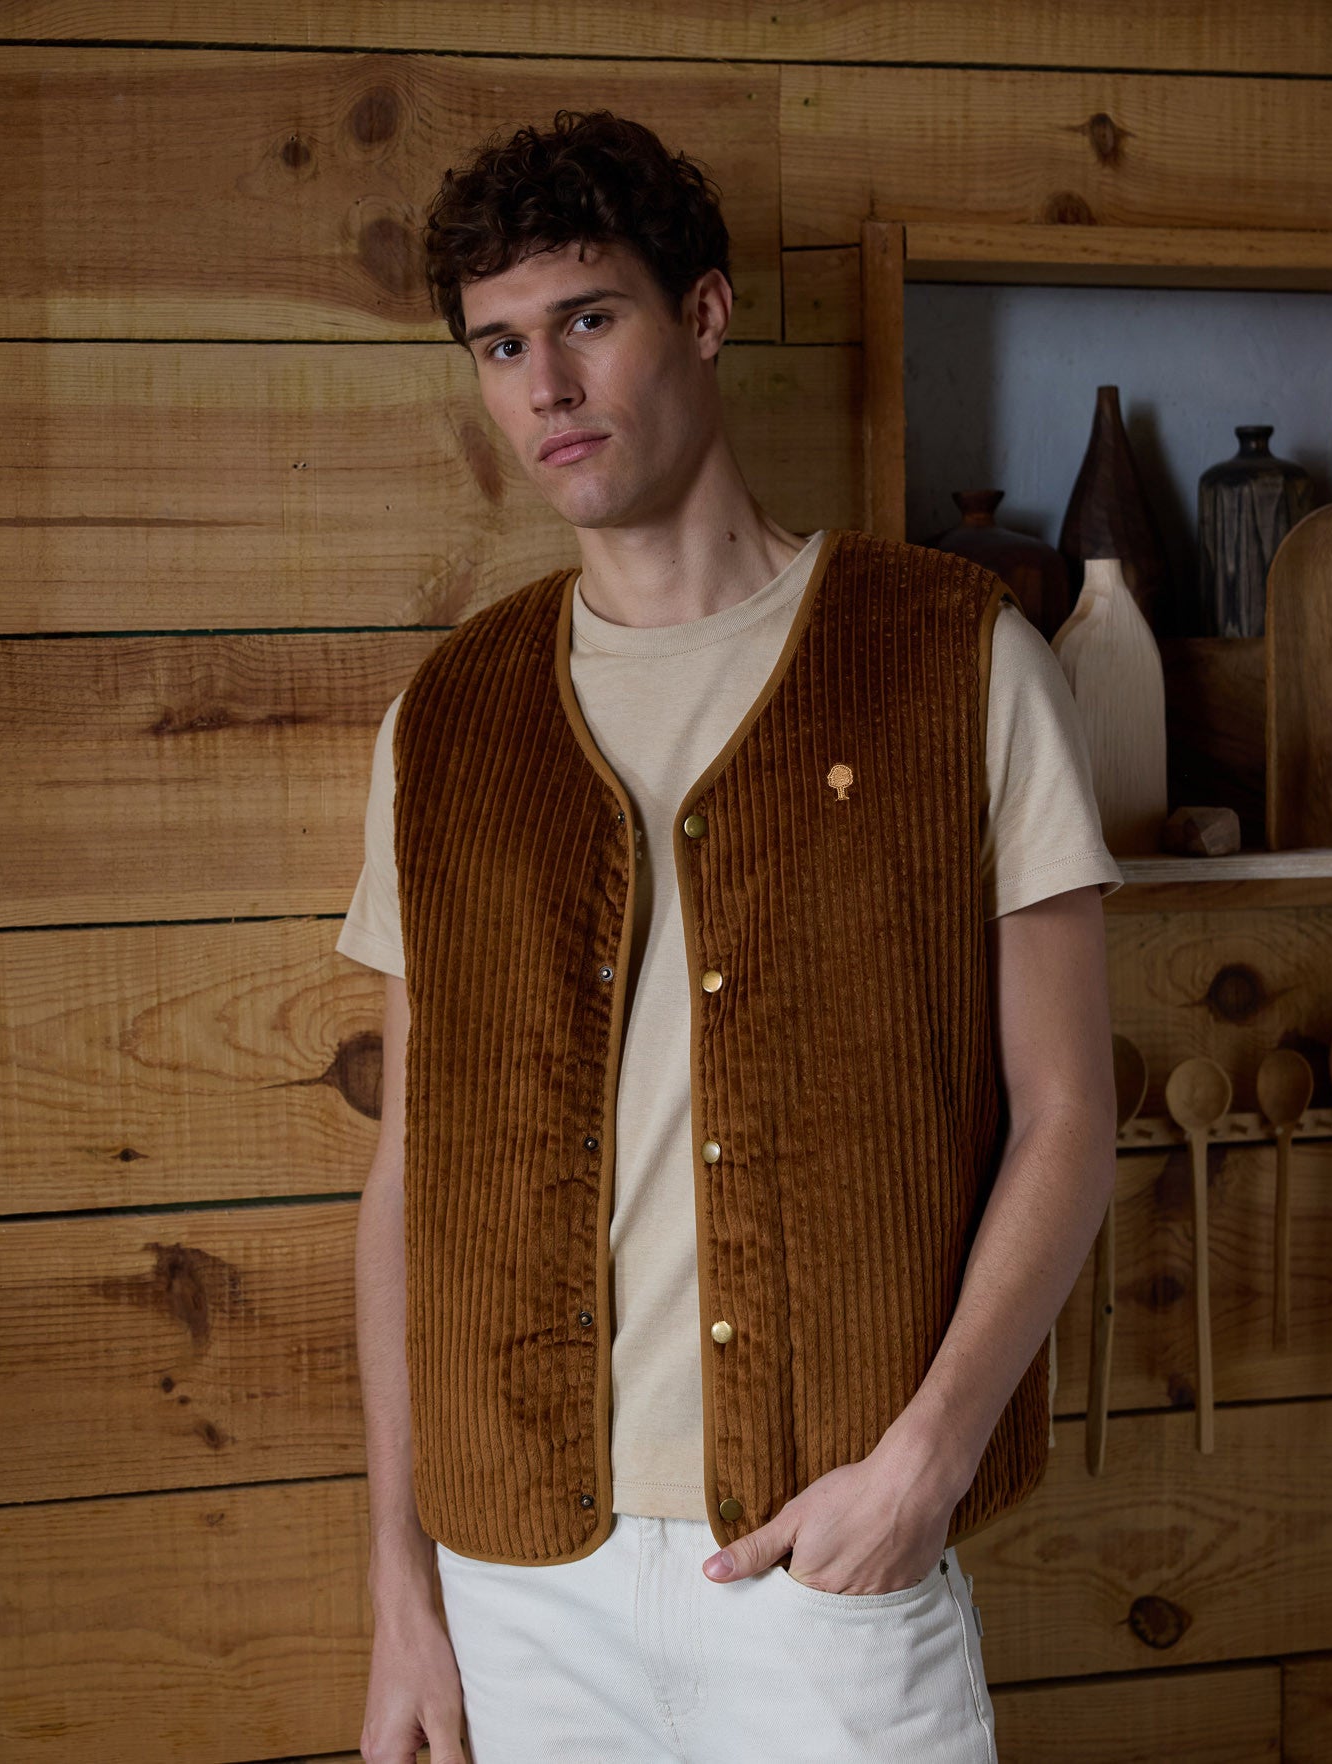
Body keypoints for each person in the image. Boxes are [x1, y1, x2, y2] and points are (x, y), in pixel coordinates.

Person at [341, 108, 1123, 1764]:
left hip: (828, 1556)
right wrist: (401, 1583)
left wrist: (920, 1468)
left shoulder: (956, 662)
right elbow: (412, 1174)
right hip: (518, 1586)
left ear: (702, 314)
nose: (545, 386)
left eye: (587, 318)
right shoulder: (449, 722)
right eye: (500, 345)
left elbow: (1069, 1114)